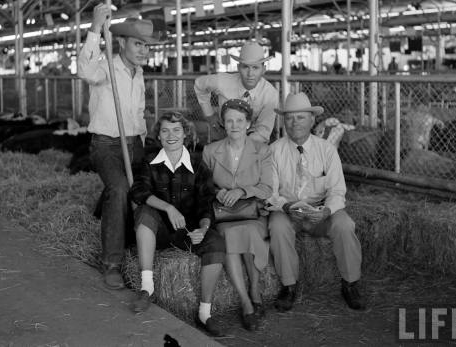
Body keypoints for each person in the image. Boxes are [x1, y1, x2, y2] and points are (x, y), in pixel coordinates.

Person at [77, 3, 157, 289]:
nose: (143, 50)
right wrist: (96, 28)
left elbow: (138, 113)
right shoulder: (106, 67)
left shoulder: (139, 73)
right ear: (121, 42)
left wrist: (145, 142)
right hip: (106, 145)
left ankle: (140, 241)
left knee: (142, 190)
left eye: (147, 46)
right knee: (120, 188)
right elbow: (84, 70)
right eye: (138, 44)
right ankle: (112, 263)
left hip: (134, 143)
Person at [129, 112, 225, 336]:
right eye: (165, 131)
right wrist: (168, 208)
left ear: (185, 134)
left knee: (216, 243)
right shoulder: (149, 161)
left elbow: (205, 204)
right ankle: (147, 288)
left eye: (176, 130)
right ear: (159, 136)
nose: (170, 135)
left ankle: (204, 313)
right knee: (144, 212)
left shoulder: (198, 165)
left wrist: (202, 229)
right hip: (158, 231)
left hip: (188, 232)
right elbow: (138, 191)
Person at [267, 92, 364, 311]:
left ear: (312, 120)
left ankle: (350, 283)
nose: (294, 123)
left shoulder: (327, 150)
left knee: (345, 224)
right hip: (288, 209)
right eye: (289, 117)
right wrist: (285, 206)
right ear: (283, 121)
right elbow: (269, 191)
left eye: (301, 117)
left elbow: (338, 190)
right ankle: (289, 286)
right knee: (277, 225)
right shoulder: (274, 151)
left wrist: (327, 211)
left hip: (321, 210)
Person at [202, 99, 273, 331]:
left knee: (250, 231)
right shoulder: (211, 151)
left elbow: (267, 188)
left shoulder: (261, 150)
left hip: (253, 214)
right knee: (230, 236)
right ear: (223, 123)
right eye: (229, 120)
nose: (234, 125)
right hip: (224, 216)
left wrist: (242, 191)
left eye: (239, 120)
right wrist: (219, 192)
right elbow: (202, 186)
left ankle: (254, 288)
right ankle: (246, 302)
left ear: (248, 123)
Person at [194, 41, 279, 143]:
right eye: (245, 67)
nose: (250, 73)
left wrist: (239, 146)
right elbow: (199, 84)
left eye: (255, 67)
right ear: (238, 67)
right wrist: (209, 115)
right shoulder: (223, 81)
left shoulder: (270, 94)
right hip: (222, 132)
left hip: (252, 139)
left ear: (263, 69)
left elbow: (263, 132)